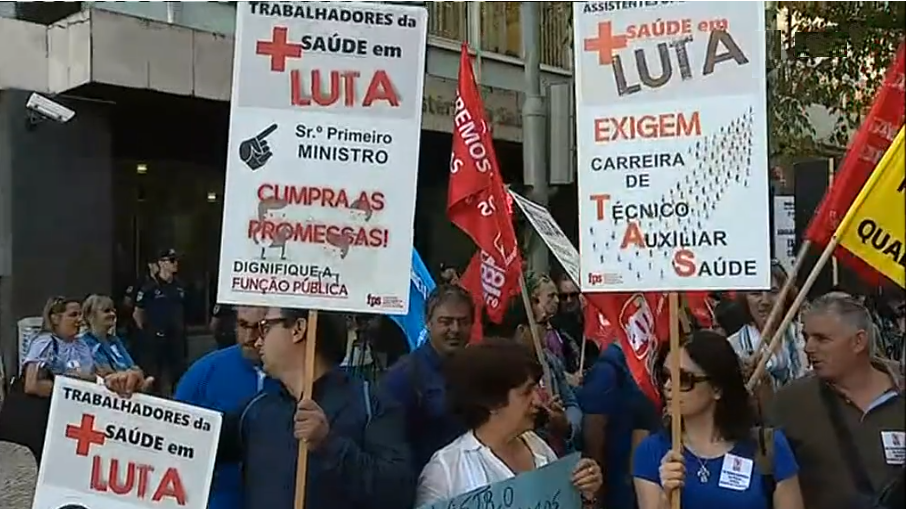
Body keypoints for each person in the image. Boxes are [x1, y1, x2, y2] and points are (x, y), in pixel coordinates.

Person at [213, 307, 414, 509]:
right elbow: (200, 442)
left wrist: (329, 444)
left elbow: (398, 493)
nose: (257, 341)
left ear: (298, 329)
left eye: (266, 327)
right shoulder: (256, 409)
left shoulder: (369, 403)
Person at [415, 339, 603, 507]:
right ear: (493, 402)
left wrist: (586, 496)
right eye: (526, 392)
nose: (538, 400)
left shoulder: (539, 449)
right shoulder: (446, 471)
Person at [633, 330, 804, 509]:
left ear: (717, 388)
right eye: (665, 376)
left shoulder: (768, 446)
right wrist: (666, 497)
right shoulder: (653, 452)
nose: (668, 386)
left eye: (683, 379)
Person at [768, 294, 905, 509]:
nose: (808, 348)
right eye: (806, 337)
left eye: (822, 339)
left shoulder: (900, 395)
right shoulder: (790, 402)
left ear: (858, 341)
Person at [175, 306, 275, 509]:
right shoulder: (204, 373)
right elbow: (172, 436)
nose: (249, 336)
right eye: (243, 325)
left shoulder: (297, 377)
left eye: (260, 327)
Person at [382, 284, 473, 471]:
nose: (455, 329)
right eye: (446, 321)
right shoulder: (403, 377)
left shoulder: (478, 370)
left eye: (463, 321)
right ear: (428, 322)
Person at [485, 298, 582, 454]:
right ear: (522, 330)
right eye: (543, 323)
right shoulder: (497, 372)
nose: (549, 328)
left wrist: (566, 424)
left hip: (559, 456)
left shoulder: (550, 361)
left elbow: (572, 404)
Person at [579, 337, 660, 509]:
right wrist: (598, 490)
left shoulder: (647, 360)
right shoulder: (608, 369)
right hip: (617, 481)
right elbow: (593, 429)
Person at [728, 262, 808, 392]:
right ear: (744, 299)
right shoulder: (733, 347)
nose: (765, 301)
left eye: (773, 292)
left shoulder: (807, 336)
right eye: (756, 293)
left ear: (786, 296)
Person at [133, 248, 187, 394]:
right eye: (171, 260)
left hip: (176, 337)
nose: (175, 264)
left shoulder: (180, 286)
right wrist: (147, 331)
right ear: (161, 263)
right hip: (155, 338)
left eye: (176, 260)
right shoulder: (150, 287)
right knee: (154, 375)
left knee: (178, 373)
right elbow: (138, 313)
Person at [80, 294, 150, 388]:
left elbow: (134, 368)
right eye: (106, 311)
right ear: (90, 315)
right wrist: (128, 374)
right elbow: (104, 372)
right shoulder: (84, 342)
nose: (112, 314)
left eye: (113, 311)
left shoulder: (114, 340)